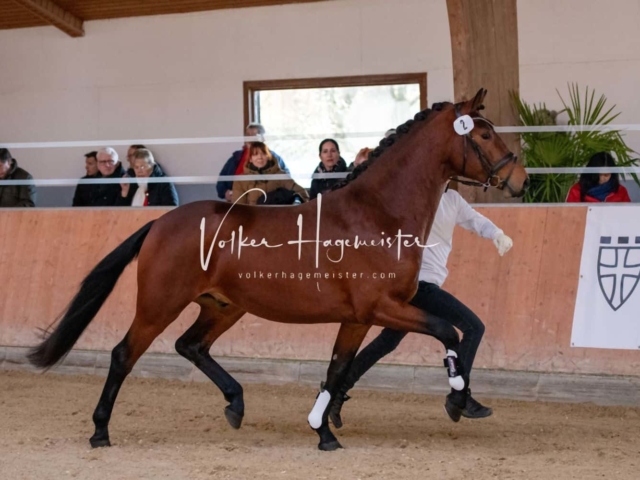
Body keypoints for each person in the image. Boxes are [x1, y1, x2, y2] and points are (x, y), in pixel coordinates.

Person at [328, 185, 514, 427]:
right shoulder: (411, 195)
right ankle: (459, 396)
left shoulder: (452, 200)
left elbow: (475, 220)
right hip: (419, 285)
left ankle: (335, 392)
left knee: (388, 341)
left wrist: (497, 233)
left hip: (419, 285)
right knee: (473, 327)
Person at [217, 123, 289, 202]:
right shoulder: (235, 158)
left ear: (262, 138)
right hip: (237, 204)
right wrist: (225, 193)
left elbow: (286, 181)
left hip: (265, 204)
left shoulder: (274, 158)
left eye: (254, 135)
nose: (250, 138)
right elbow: (221, 182)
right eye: (247, 135)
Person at [232, 142, 308, 205]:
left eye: (263, 154)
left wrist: (295, 203)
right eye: (255, 154)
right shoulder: (241, 180)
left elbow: (302, 194)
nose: (260, 157)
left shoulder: (280, 175)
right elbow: (238, 208)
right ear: (250, 159)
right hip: (253, 221)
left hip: (279, 219)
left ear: (268, 156)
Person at [566, 152, 631, 203]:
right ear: (591, 172)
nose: (602, 178)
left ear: (612, 174)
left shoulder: (621, 191)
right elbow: (570, 216)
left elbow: (628, 215)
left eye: (606, 175)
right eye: (598, 175)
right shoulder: (577, 190)